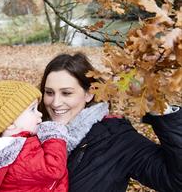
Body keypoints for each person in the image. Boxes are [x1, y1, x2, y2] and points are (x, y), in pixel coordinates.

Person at [38, 52, 182, 191]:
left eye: (66, 93)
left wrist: (153, 103)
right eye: (49, 92)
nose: (55, 103)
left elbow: (176, 181)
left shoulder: (118, 139)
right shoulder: (30, 133)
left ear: (89, 93)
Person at [0, 69, 70, 192]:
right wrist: (54, 134)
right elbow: (53, 169)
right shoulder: (20, 152)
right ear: (9, 123)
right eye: (32, 109)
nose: (39, 114)